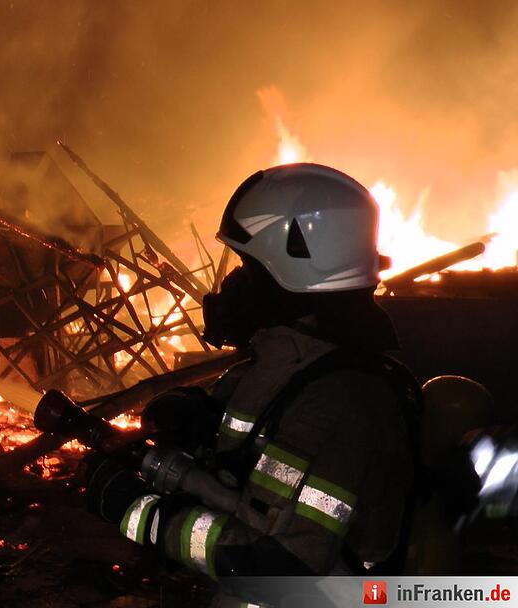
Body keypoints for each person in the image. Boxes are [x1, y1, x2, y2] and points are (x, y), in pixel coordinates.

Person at [85, 164, 422, 600]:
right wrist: (203, 418)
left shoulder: (344, 404)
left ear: (295, 272)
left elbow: (276, 568)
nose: (233, 286)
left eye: (248, 267)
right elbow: (255, 478)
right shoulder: (288, 364)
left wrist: (140, 513)